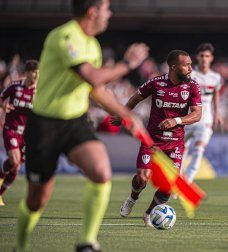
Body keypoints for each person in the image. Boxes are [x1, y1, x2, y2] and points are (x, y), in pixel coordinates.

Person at [15, 0, 149, 251]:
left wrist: (126, 116)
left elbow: (95, 89)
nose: (110, 15)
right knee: (36, 200)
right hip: (44, 125)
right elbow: (92, 76)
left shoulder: (92, 45)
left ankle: (86, 242)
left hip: (74, 122)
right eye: (107, 9)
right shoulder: (65, 36)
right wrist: (127, 64)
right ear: (92, 12)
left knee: (101, 172)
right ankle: (20, 247)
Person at [114, 49, 202, 227]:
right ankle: (133, 197)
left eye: (191, 65)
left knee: (169, 185)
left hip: (175, 143)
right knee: (142, 178)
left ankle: (149, 213)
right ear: (174, 67)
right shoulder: (156, 83)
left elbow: (197, 114)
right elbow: (135, 98)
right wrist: (122, 114)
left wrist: (176, 120)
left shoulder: (192, 86)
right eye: (187, 65)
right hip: (152, 141)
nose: (191, 69)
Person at [181, 43, 223, 183]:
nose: (204, 59)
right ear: (197, 58)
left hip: (205, 119)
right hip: (188, 117)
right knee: (181, 152)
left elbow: (216, 94)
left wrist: (217, 113)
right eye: (202, 56)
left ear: (211, 58)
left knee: (199, 150)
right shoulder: (190, 75)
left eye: (207, 56)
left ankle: (188, 181)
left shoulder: (216, 77)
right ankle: (178, 180)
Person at [0, 60, 39, 206]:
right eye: (33, 72)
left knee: (15, 166)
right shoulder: (15, 86)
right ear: (27, 73)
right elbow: (1, 98)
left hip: (28, 135)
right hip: (12, 128)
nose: (36, 76)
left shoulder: (39, 92)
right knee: (14, 160)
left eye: (38, 73)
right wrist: (3, 106)